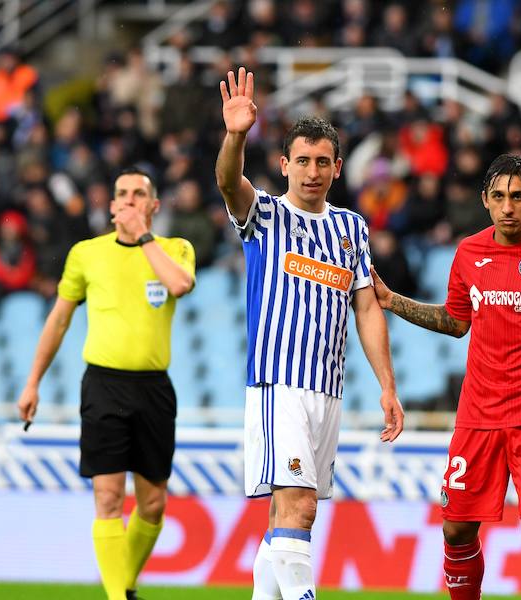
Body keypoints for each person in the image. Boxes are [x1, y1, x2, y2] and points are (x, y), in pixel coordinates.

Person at [372, 154, 521, 600]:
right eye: (498, 197)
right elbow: (456, 321)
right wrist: (391, 300)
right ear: (484, 200)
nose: (508, 207)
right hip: (478, 411)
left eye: (518, 196)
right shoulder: (469, 253)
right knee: (457, 528)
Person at [215, 67, 404, 600]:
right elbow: (229, 184)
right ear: (284, 165)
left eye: (323, 162)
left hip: (328, 389)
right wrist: (235, 136)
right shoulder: (267, 215)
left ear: (338, 168)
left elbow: (366, 307)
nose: (312, 171)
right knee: (297, 504)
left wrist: (387, 385)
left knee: (292, 514)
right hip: (280, 384)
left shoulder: (351, 228)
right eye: (302, 161)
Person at [16, 167, 195, 600]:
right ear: (112, 205)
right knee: (109, 499)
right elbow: (59, 320)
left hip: (154, 388)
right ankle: (119, 597)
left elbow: (180, 284)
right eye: (122, 194)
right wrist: (33, 381)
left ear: (153, 206)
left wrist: (144, 237)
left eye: (139, 194)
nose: (130, 200)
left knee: (153, 506)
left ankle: (124, 584)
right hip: (103, 385)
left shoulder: (175, 248)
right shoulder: (87, 254)